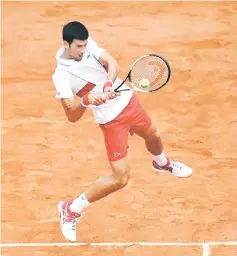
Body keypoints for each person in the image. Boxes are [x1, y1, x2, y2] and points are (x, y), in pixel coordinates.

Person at [52, 21, 192, 242]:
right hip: (111, 121)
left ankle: (161, 163)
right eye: (78, 46)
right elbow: (72, 115)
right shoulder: (62, 76)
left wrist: (108, 84)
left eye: (84, 45)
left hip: (128, 101)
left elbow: (112, 63)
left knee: (153, 134)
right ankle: (72, 208)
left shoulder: (88, 47)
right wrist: (87, 100)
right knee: (120, 178)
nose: (83, 50)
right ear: (66, 44)